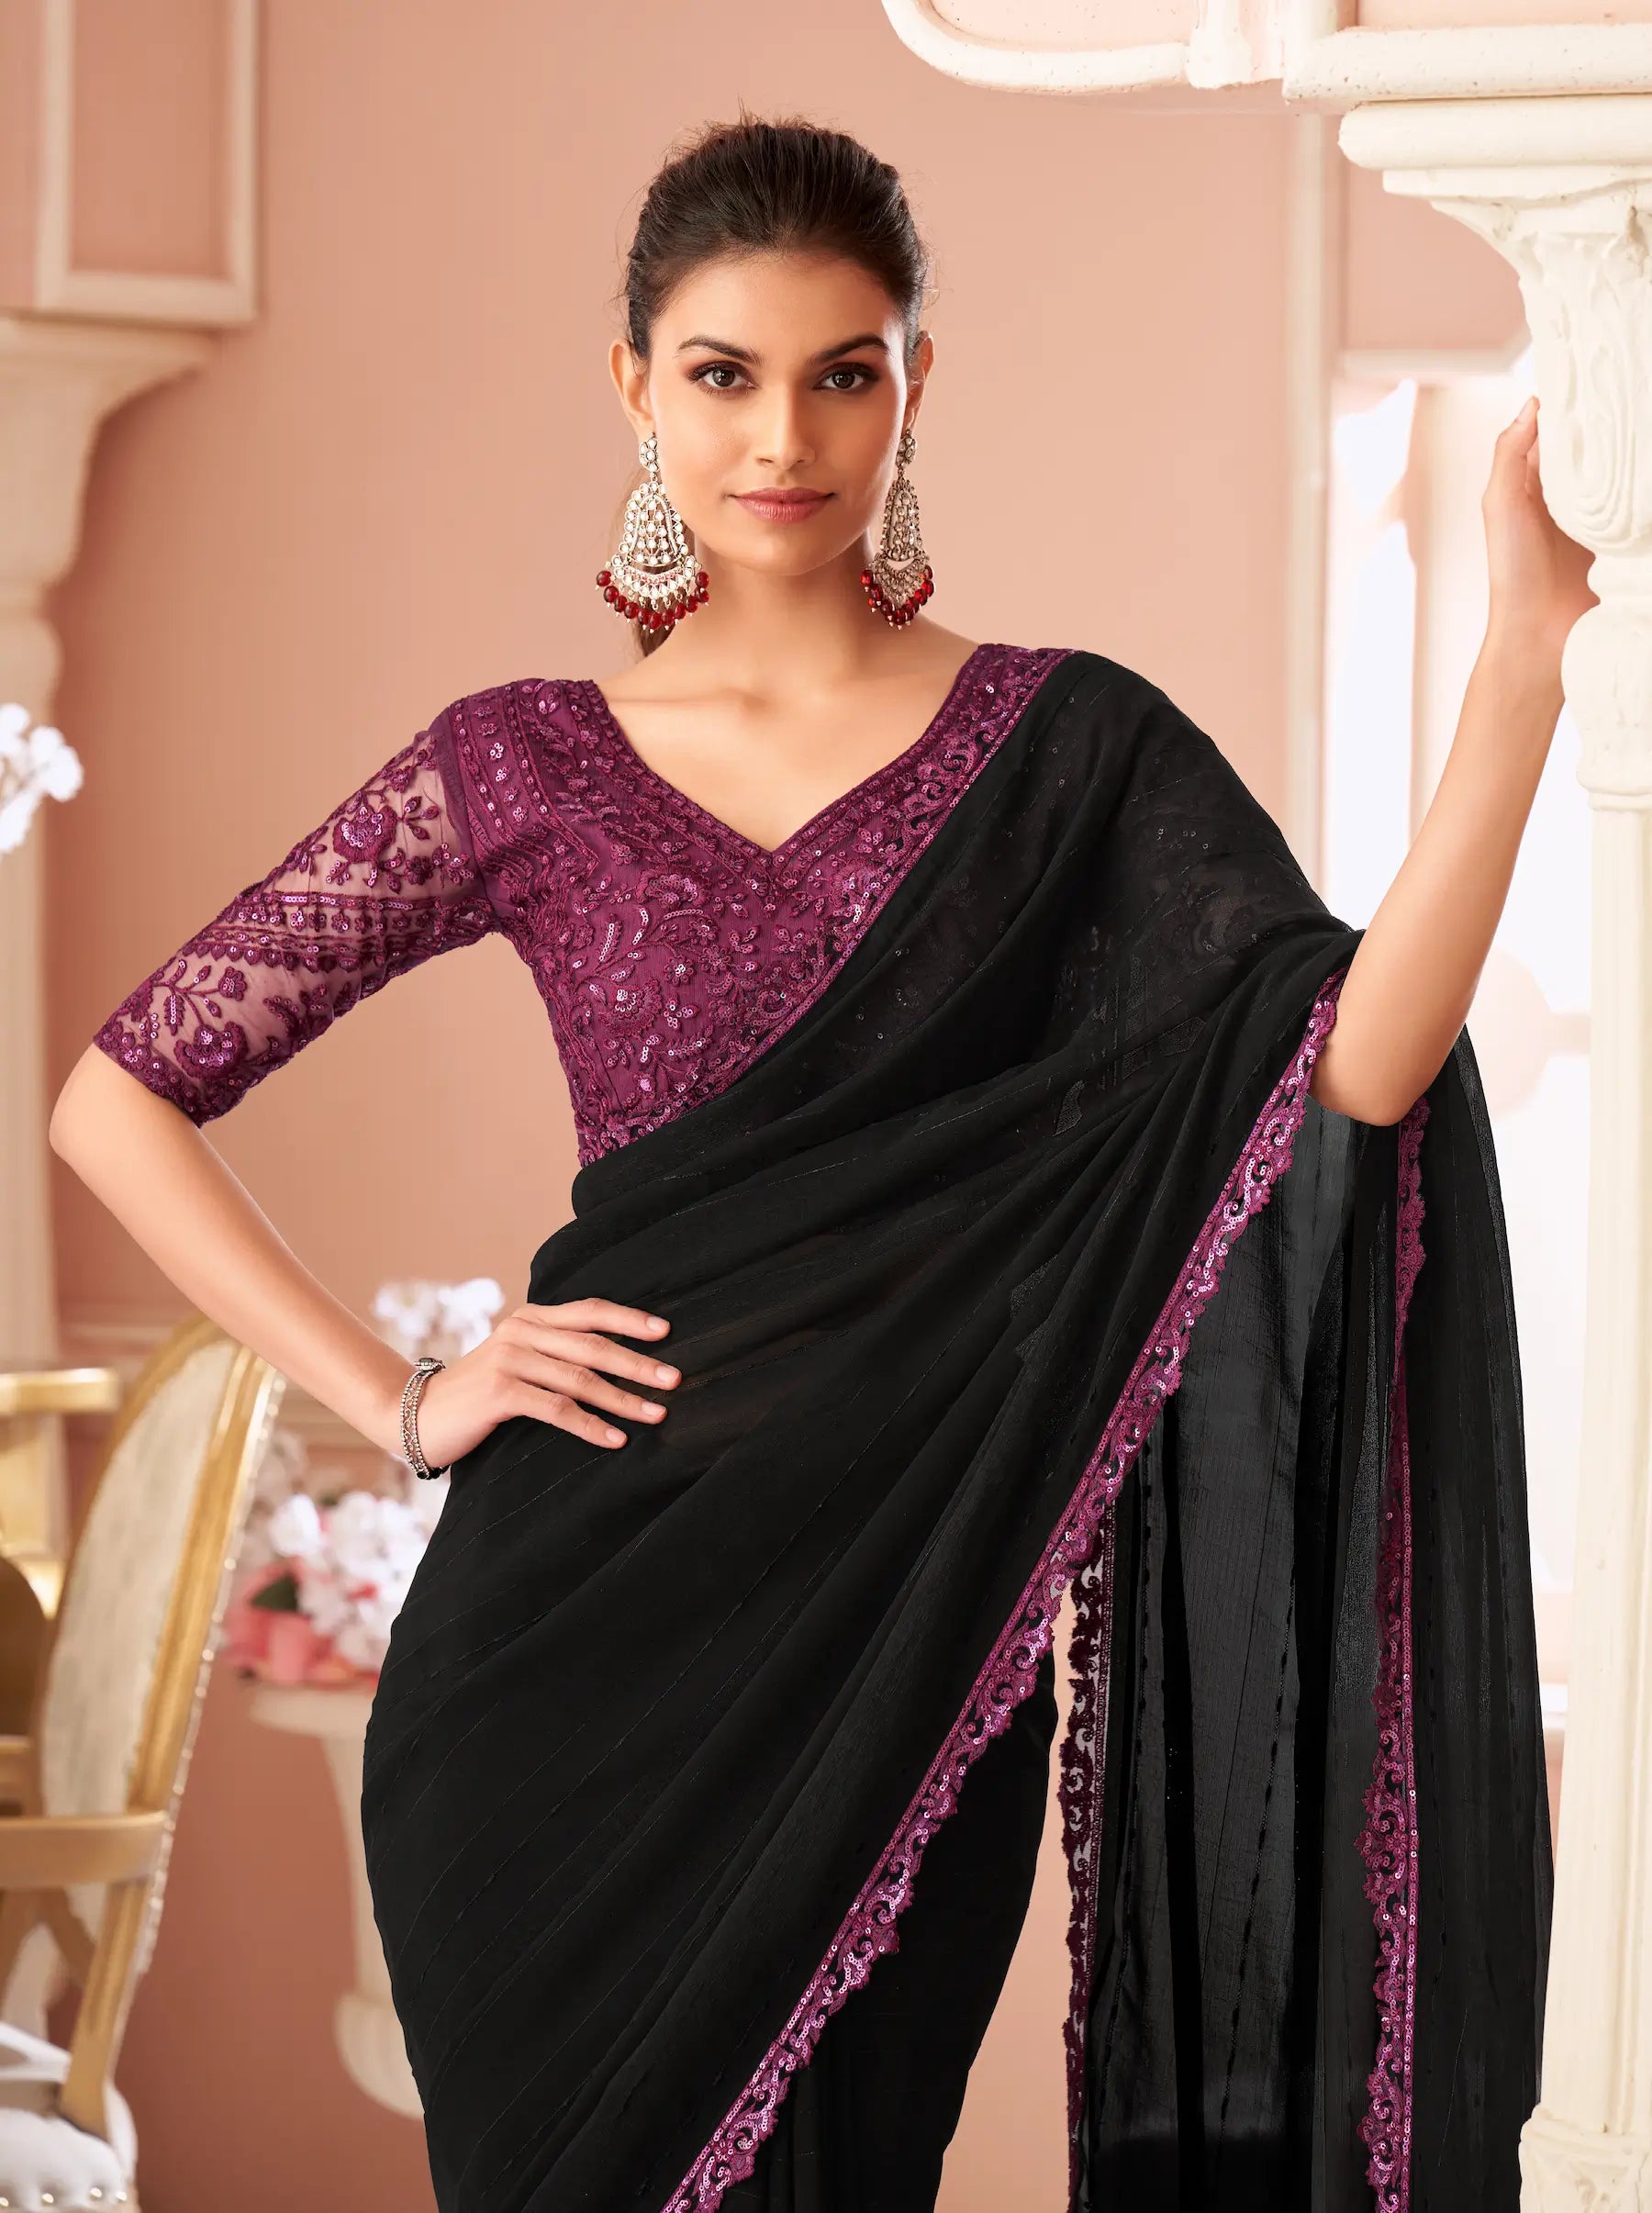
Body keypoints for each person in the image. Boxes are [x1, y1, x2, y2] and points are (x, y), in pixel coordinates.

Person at [51, 113, 1583, 2213]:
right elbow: (116, 1095)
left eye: (842, 373)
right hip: (562, 1664)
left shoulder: (1073, 750)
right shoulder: (520, 766)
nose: (782, 436)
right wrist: (399, 1402)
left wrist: (1517, 662)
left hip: (906, 1653)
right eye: (723, 374)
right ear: (635, 386)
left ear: (913, 384)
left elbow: (1353, 1070)